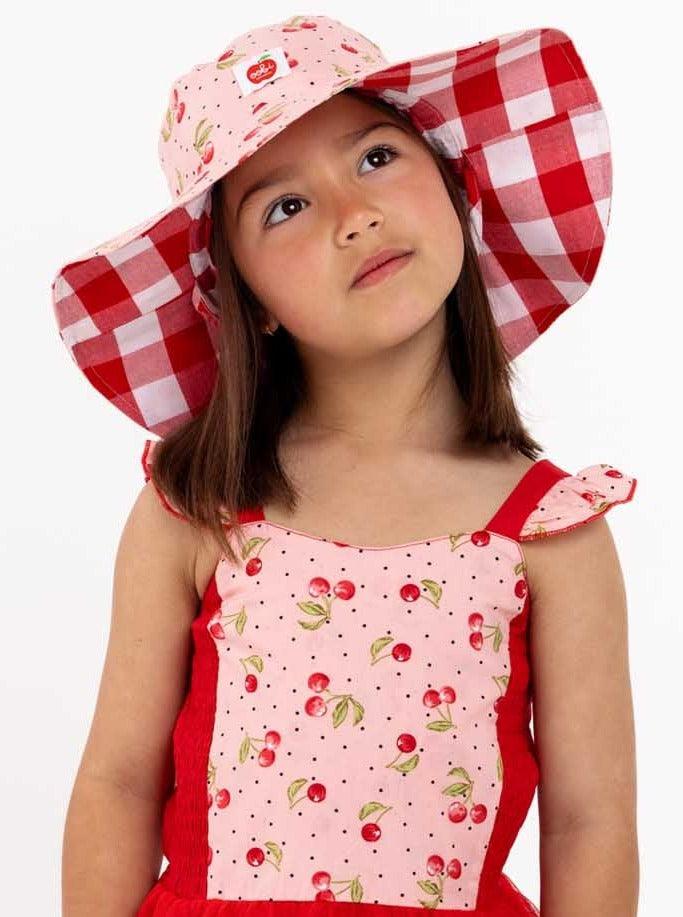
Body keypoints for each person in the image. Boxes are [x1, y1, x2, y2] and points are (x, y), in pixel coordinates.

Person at [52, 13, 639, 917]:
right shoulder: (201, 508)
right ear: (247, 301)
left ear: (456, 188)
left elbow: (588, 822)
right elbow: (119, 784)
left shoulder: (551, 529)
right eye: (284, 206)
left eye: (374, 158)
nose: (353, 215)